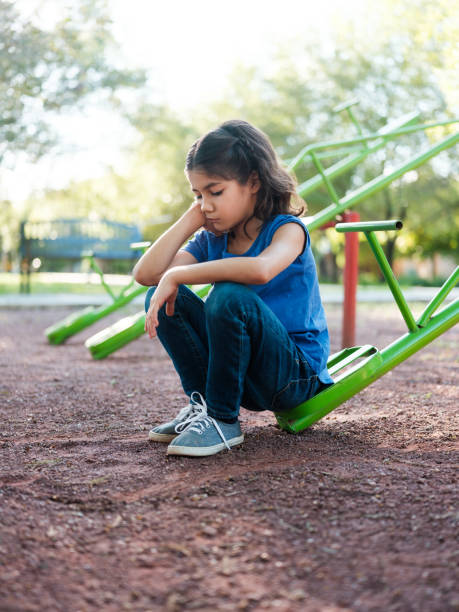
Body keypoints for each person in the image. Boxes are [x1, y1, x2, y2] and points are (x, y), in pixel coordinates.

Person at [133, 119, 334, 457]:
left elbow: (260, 270)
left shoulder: (288, 230)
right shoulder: (212, 237)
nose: (206, 204)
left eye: (215, 191)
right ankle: (205, 408)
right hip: (244, 375)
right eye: (197, 195)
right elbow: (146, 274)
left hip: (293, 377)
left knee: (228, 295)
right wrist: (190, 219)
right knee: (161, 293)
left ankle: (223, 420)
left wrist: (178, 275)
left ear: (252, 182)